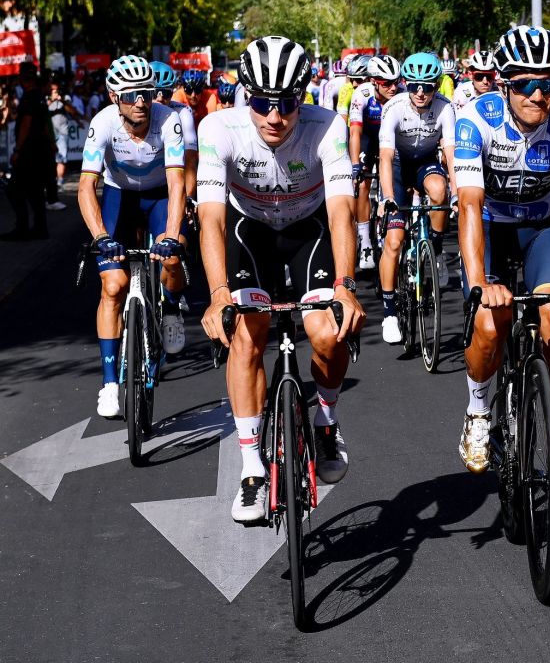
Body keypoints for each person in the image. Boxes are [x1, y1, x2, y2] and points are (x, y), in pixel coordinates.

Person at [197, 35, 364, 523]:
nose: (275, 116)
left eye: (288, 104)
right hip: (249, 231)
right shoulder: (218, 128)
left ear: (302, 98)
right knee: (247, 335)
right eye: (262, 104)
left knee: (328, 332)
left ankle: (326, 420)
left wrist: (346, 286)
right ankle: (252, 469)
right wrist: (218, 295)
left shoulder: (326, 126)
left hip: (308, 229)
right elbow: (211, 219)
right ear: (245, 96)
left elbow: (341, 212)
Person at [454, 26, 550, 486]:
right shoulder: (475, 119)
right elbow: (469, 204)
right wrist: (479, 283)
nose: (538, 94)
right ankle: (478, 412)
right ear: (504, 85)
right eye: (525, 84)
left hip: (542, 227)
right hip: (491, 227)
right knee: (489, 322)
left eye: (548, 84)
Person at [77, 56, 188, 416]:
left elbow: (176, 183)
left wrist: (171, 235)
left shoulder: (168, 120)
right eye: (131, 95)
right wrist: (100, 237)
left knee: (173, 256)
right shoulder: (103, 123)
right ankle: (110, 383)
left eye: (147, 93)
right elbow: (86, 187)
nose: (141, 102)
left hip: (158, 196)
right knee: (113, 286)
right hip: (119, 197)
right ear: (114, 96)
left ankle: (171, 308)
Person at [376, 52, 456, 343]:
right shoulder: (394, 108)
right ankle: (388, 313)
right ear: (406, 84)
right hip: (397, 167)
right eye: (413, 86)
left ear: (437, 85)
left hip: (425, 163)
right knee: (394, 241)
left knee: (439, 190)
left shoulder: (445, 108)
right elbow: (385, 158)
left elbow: (451, 154)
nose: (420, 93)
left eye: (427, 87)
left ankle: (436, 248)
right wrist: (387, 198)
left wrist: (457, 192)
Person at [348, 54, 403, 270]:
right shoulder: (361, 94)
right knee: (362, 184)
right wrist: (355, 164)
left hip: (392, 140)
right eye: (386, 83)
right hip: (368, 139)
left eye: (396, 82)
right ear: (373, 82)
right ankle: (365, 243)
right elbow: (355, 132)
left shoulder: (402, 94)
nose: (393, 87)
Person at [2, 64, 53, 240]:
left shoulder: (30, 97)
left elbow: (26, 123)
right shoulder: (39, 96)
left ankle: (22, 228)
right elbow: (44, 124)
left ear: (23, 78)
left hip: (28, 152)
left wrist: (17, 150)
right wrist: (50, 143)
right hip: (39, 150)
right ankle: (40, 228)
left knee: (14, 189)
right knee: (35, 191)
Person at [150, 62, 199, 198]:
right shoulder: (132, 109)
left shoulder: (182, 112)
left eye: (166, 93)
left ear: (172, 93)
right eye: (154, 93)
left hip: (168, 179)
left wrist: (189, 197)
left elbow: (190, 160)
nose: (160, 98)